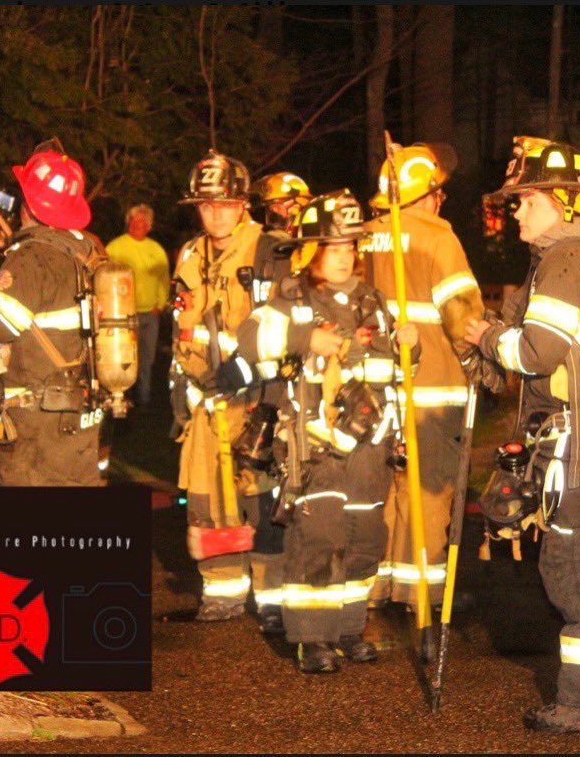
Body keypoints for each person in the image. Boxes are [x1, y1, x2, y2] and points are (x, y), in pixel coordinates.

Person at [465, 137, 580, 734]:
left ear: (565, 203)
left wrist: (484, 338)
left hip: (579, 447)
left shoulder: (567, 260)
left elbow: (537, 352)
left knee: (575, 568)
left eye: (527, 199)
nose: (515, 210)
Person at [223, 189, 418, 672]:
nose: (344, 258)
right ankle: (313, 638)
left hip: (371, 445)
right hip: (317, 445)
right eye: (333, 248)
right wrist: (303, 336)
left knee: (365, 536)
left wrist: (409, 347)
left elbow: (393, 366)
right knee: (321, 537)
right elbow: (247, 341)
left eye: (350, 248)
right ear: (312, 252)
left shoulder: (371, 298)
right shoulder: (293, 296)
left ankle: (348, 628)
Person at [359, 141, 490, 609]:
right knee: (430, 489)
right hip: (433, 384)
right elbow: (462, 315)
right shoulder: (438, 238)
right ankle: (424, 593)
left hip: (376, 386)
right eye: (440, 193)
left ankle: (378, 584)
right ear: (429, 193)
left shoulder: (364, 235)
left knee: (387, 489)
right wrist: (486, 357)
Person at [170, 150, 288, 625]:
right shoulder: (190, 255)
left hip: (257, 395)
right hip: (206, 398)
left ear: (243, 203)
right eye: (205, 204)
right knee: (205, 496)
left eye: (223, 203)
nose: (214, 212)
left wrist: (255, 373)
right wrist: (183, 388)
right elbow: (184, 327)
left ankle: (272, 594)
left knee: (261, 497)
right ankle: (222, 590)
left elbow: (289, 323)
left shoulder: (271, 250)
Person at [0, 146, 103, 486]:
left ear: (29, 205)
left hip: (37, 425)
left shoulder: (32, 259)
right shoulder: (85, 250)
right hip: (77, 413)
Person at [105, 203, 169, 410]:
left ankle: (144, 399)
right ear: (128, 222)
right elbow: (103, 275)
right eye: (134, 220)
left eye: (142, 222)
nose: (137, 224)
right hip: (123, 315)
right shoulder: (115, 247)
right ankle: (120, 398)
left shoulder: (156, 250)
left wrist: (160, 304)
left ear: (149, 226)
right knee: (121, 358)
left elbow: (163, 278)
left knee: (146, 359)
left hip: (150, 314)